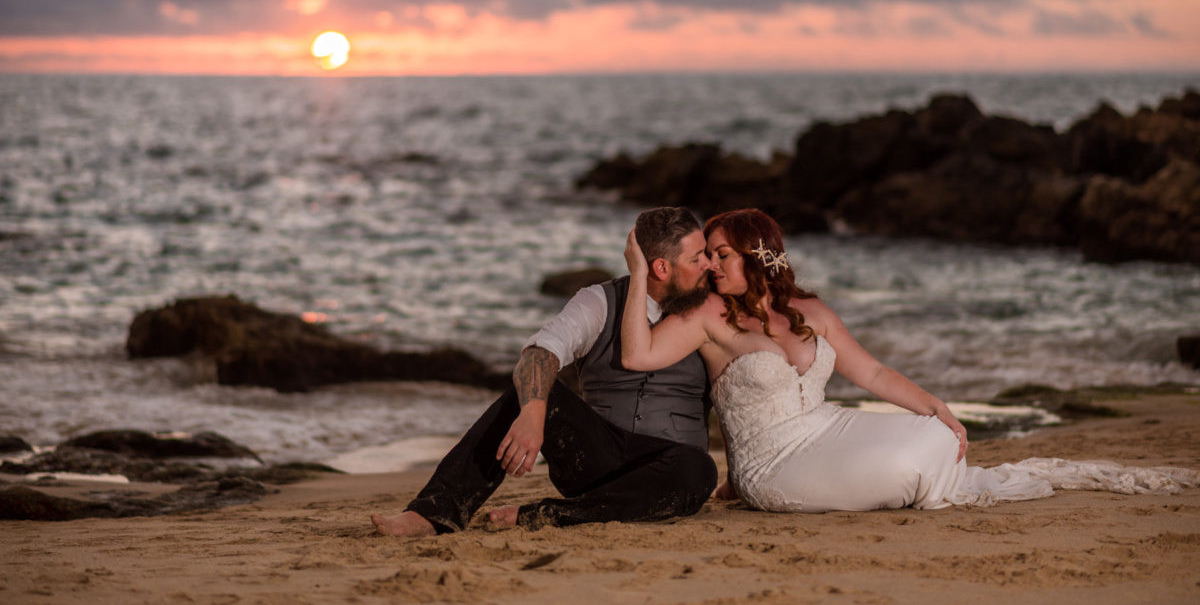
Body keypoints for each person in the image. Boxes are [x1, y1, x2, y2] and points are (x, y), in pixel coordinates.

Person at [621, 208, 1199, 513]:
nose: (713, 265)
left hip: (828, 429)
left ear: (758, 257)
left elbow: (869, 373)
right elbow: (636, 352)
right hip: (772, 467)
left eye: (722, 254)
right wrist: (641, 273)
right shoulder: (706, 317)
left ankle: (928, 444)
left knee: (936, 438)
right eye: (711, 255)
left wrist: (937, 407)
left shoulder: (809, 310)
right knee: (907, 469)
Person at [371, 206, 719, 536]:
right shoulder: (599, 301)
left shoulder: (715, 312)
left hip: (670, 472)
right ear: (660, 268)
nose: (709, 264)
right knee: (530, 393)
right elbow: (542, 351)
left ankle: (548, 513)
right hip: (596, 463)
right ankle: (433, 512)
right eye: (697, 257)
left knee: (699, 469)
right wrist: (534, 412)